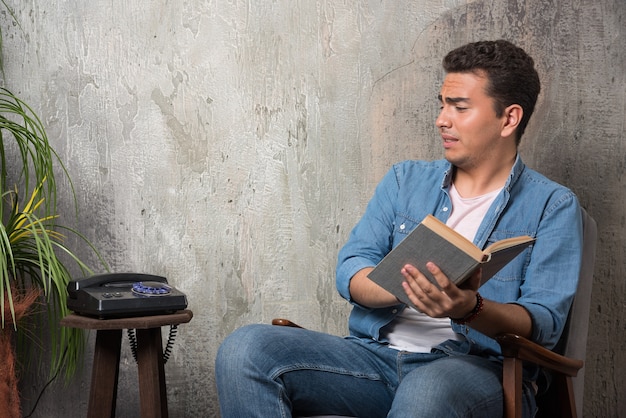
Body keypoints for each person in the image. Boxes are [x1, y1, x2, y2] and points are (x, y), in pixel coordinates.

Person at [215, 39, 583, 418]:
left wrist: (469, 308)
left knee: (429, 388)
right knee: (246, 348)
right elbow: (351, 269)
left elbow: (542, 323)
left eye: (459, 107)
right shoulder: (404, 180)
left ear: (509, 118)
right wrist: (403, 287)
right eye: (442, 104)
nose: (442, 119)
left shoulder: (552, 206)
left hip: (476, 371)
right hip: (374, 359)